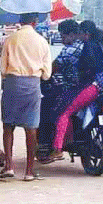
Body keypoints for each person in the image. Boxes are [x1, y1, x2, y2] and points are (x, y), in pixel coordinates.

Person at [0, 13, 52, 181]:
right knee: (31, 128)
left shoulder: (10, 40)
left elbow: (3, 69)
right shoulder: (42, 42)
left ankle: (9, 166)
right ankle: (29, 171)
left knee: (8, 126)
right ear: (35, 23)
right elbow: (47, 74)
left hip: (12, 84)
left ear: (20, 22)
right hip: (32, 85)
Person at [52, 20, 103, 152]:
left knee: (65, 112)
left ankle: (57, 149)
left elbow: (84, 68)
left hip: (95, 86)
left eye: (80, 34)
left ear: (86, 33)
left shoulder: (89, 46)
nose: (79, 37)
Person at [37, 20, 84, 163]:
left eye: (63, 36)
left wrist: (42, 74)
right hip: (87, 88)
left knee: (45, 108)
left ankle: (47, 146)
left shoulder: (69, 50)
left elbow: (52, 69)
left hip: (69, 90)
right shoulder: (87, 46)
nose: (62, 40)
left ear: (72, 34)